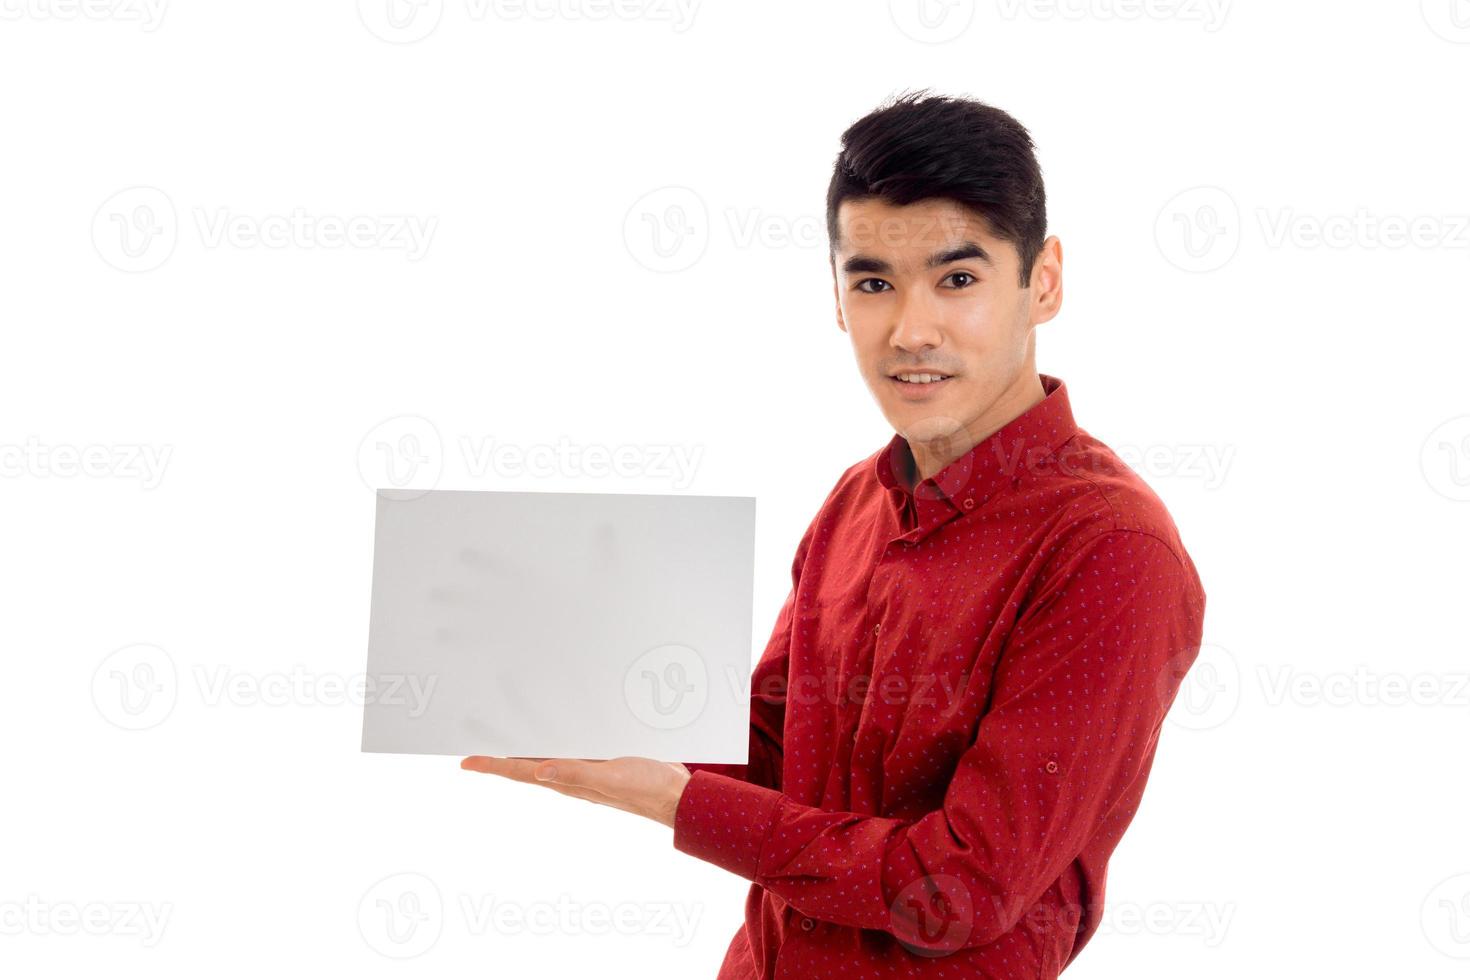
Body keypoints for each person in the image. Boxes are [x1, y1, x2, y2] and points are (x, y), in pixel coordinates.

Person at [463, 88, 1207, 978]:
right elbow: (775, 747)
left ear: (1042, 281)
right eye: (874, 284)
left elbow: (962, 886)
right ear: (838, 296)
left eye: (958, 279)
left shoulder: (1112, 551)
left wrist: (678, 803)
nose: (911, 329)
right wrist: (586, 686)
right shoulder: (856, 500)